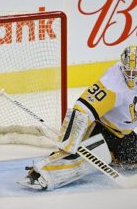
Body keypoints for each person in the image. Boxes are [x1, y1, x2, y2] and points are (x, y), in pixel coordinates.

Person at [20, 46, 137, 190]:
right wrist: (69, 143)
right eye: (128, 71)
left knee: (132, 157)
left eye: (135, 72)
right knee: (77, 160)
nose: (131, 76)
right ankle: (40, 174)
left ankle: (110, 155)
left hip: (122, 134)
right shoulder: (112, 83)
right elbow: (82, 109)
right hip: (100, 128)